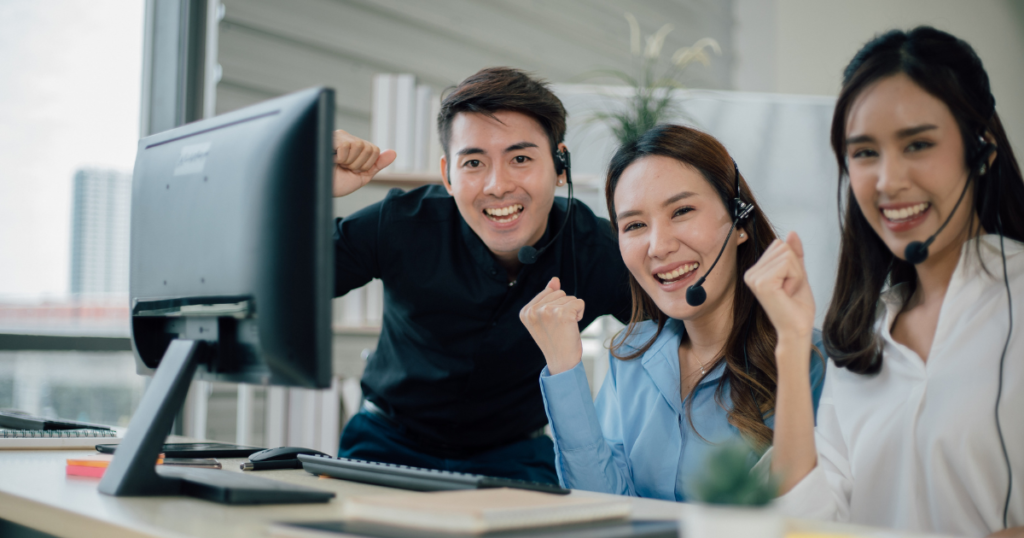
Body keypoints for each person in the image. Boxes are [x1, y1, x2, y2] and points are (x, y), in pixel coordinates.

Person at [749, 27, 1023, 537]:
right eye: (865, 153)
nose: (888, 181)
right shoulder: (865, 334)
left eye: (917, 144)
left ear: (980, 149)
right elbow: (805, 523)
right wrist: (790, 342)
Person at [329, 67, 631, 485]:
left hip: (516, 456)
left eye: (521, 158)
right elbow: (284, 277)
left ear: (561, 165)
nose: (497, 185)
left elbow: (683, 328)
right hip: (386, 446)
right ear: (447, 175)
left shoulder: (598, 249)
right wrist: (306, 181)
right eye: (473, 162)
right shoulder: (401, 222)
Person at [519, 124, 825, 500]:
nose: (659, 246)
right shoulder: (631, 353)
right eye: (634, 225)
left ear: (740, 221)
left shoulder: (810, 361)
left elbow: (801, 513)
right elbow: (601, 506)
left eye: (681, 211)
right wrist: (565, 367)